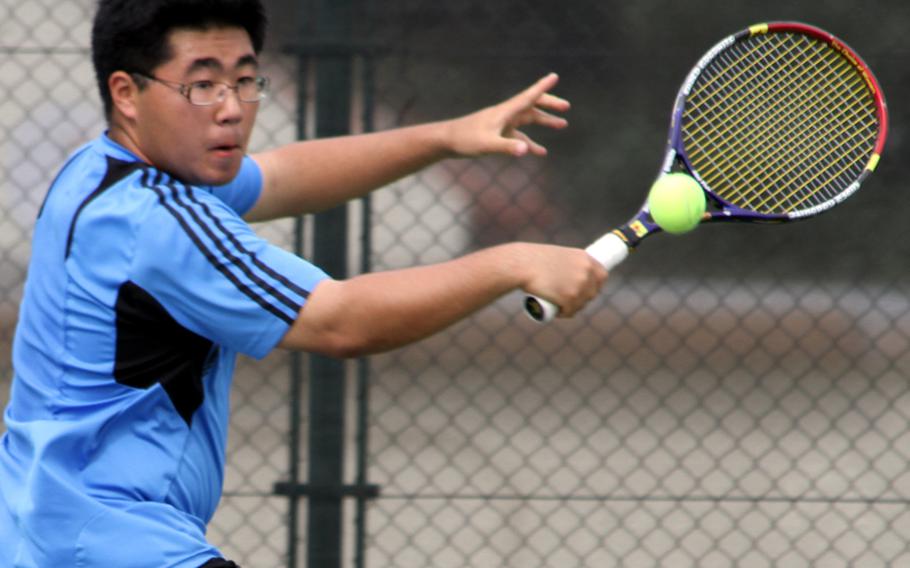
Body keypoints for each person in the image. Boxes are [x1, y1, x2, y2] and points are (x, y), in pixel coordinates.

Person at [0, 0, 608, 566]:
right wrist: (511, 264)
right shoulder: (161, 221)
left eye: (245, 78)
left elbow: (283, 175)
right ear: (127, 93)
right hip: (109, 540)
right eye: (202, 83)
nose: (232, 106)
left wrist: (444, 137)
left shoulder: (97, 171)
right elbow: (342, 319)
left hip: (35, 527)